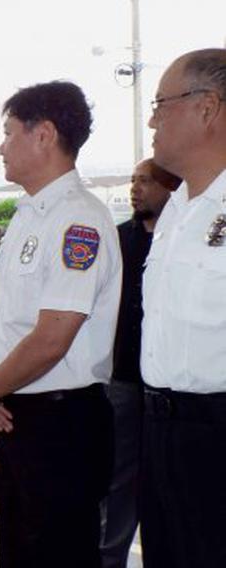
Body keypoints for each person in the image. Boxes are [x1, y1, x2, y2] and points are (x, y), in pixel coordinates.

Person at [0, 81, 122, 568]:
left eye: (8, 132)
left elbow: (53, 337)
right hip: (20, 416)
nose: (0, 145)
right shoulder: (30, 215)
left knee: (57, 554)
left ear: (44, 134)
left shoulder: (78, 221)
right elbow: (8, 318)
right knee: (17, 552)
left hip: (62, 425)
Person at [140, 48, 226, 568]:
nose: (152, 118)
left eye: (161, 104)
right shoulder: (177, 207)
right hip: (162, 429)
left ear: (208, 108)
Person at [99, 159, 178, 568]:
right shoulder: (117, 239)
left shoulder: (177, 238)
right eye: (132, 181)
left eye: (145, 181)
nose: (135, 188)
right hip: (123, 380)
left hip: (171, 390)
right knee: (118, 482)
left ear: (168, 187)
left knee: (167, 487)